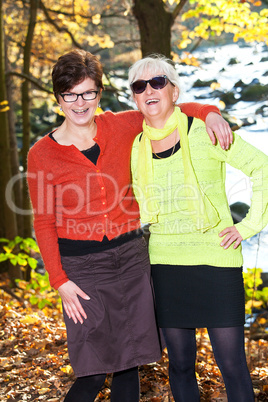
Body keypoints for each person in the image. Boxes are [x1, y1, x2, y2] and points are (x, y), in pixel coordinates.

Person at [27, 49, 232, 402]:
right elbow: (44, 222)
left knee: (128, 365)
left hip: (132, 259)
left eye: (88, 92)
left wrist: (211, 114)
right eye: (70, 95)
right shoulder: (41, 154)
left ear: (99, 93)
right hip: (84, 271)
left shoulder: (120, 125)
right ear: (58, 98)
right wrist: (59, 281)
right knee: (91, 372)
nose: (80, 103)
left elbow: (169, 110)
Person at [130, 55, 268, 402]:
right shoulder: (136, 146)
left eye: (158, 82)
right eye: (139, 86)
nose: (149, 90)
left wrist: (249, 225)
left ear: (174, 91)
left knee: (233, 366)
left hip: (216, 263)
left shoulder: (206, 131)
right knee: (178, 365)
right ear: (134, 97)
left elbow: (262, 169)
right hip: (164, 266)